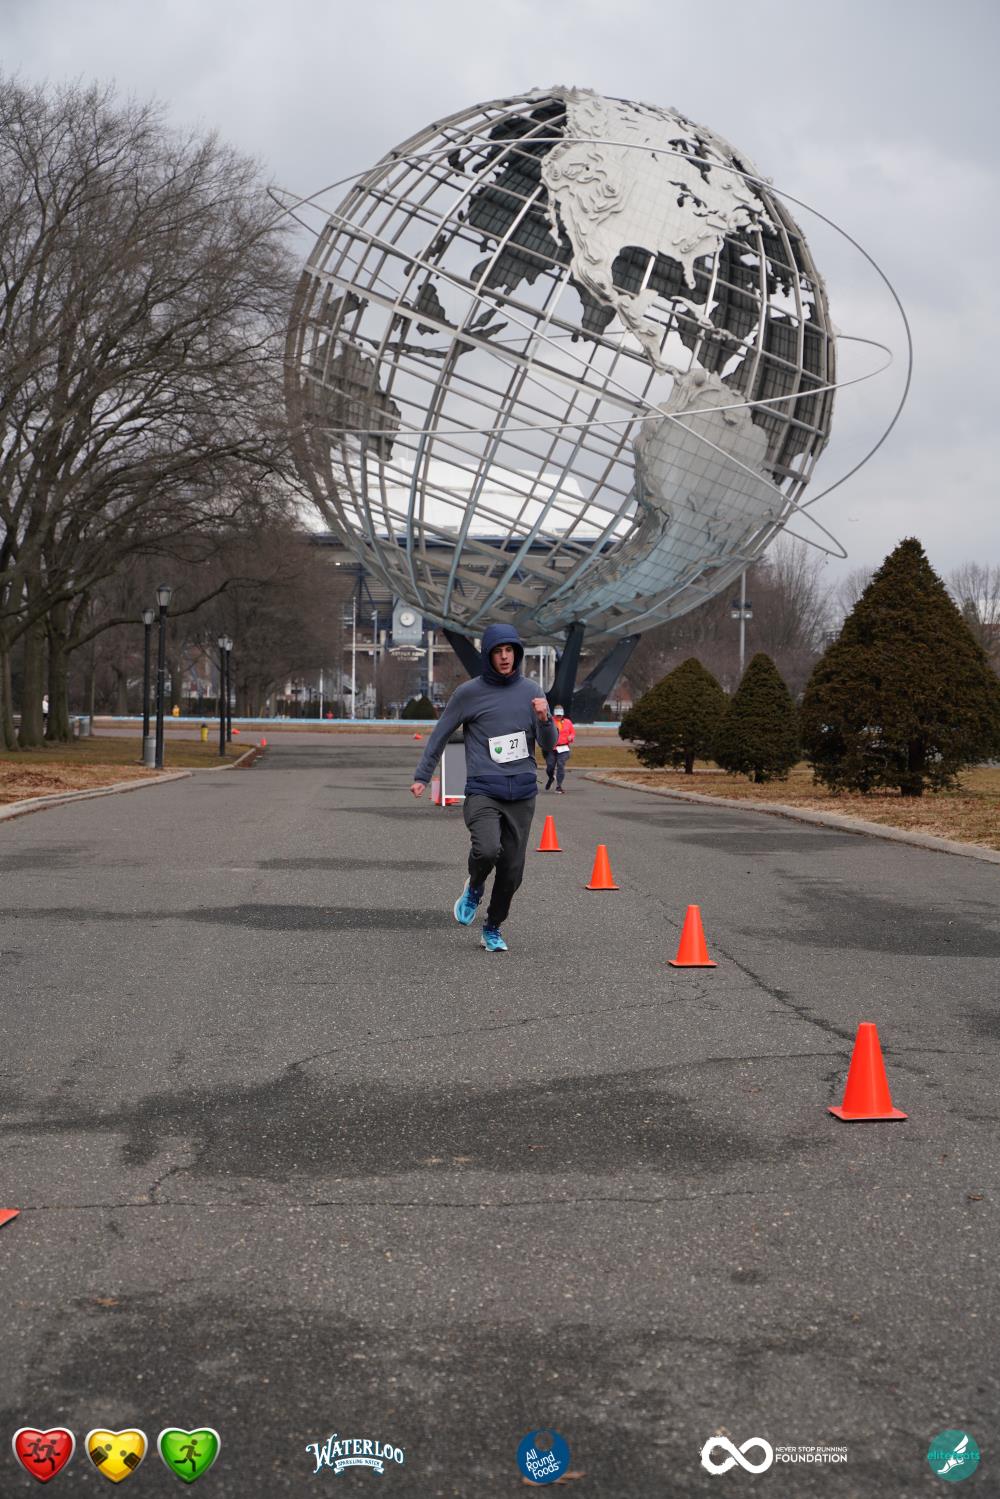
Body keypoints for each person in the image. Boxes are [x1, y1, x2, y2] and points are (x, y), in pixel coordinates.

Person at [410, 623, 557, 952]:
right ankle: (475, 886)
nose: (505, 657)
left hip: (522, 794)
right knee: (488, 849)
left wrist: (545, 719)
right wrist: (422, 775)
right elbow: (440, 734)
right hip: (483, 790)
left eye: (510, 651)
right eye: (498, 652)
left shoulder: (532, 691)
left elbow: (549, 744)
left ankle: (492, 927)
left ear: (517, 654)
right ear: (488, 656)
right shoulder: (469, 693)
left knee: (512, 871)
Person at [544, 704, 575, 792]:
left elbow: (572, 732)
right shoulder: (550, 722)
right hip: (552, 748)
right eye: (557, 715)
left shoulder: (568, 722)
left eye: (560, 715)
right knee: (550, 766)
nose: (559, 717)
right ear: (554, 714)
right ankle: (551, 777)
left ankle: (559, 786)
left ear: (562, 714)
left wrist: (571, 737)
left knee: (560, 764)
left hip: (564, 748)